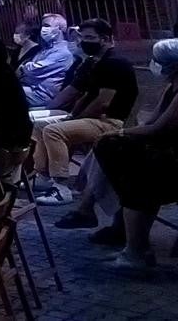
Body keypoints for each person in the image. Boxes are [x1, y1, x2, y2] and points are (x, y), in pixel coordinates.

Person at [72, 39, 178, 270]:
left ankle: (134, 250)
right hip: (162, 149)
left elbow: (157, 128)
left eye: (159, 61)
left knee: (134, 177)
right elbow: (151, 123)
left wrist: (120, 131)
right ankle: (118, 231)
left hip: (172, 157)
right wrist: (120, 134)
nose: (155, 65)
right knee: (108, 149)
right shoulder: (171, 86)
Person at [31, 19, 139, 205]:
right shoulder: (95, 62)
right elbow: (84, 93)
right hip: (95, 118)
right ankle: (44, 174)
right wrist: (72, 115)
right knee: (39, 124)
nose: (83, 42)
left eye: (89, 37)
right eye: (82, 37)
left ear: (105, 39)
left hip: (110, 121)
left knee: (54, 131)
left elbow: (103, 102)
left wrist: (75, 119)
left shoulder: (114, 63)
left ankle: (61, 187)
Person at [18, 14, 75, 108]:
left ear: (60, 28)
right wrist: (27, 69)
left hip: (42, 95)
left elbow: (33, 71)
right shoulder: (45, 49)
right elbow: (28, 71)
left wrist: (25, 68)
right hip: (31, 89)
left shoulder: (64, 52)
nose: (43, 29)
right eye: (42, 26)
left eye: (47, 26)